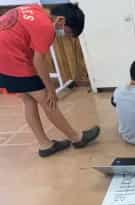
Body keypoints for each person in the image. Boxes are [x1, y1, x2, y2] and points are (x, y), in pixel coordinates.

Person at [0, 4, 100, 157]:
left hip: (5, 59)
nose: (64, 36)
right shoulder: (46, 27)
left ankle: (45, 145)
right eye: (67, 32)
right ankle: (77, 138)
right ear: (61, 20)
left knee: (29, 100)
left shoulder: (36, 9)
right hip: (11, 59)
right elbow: (38, 61)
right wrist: (51, 89)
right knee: (47, 100)